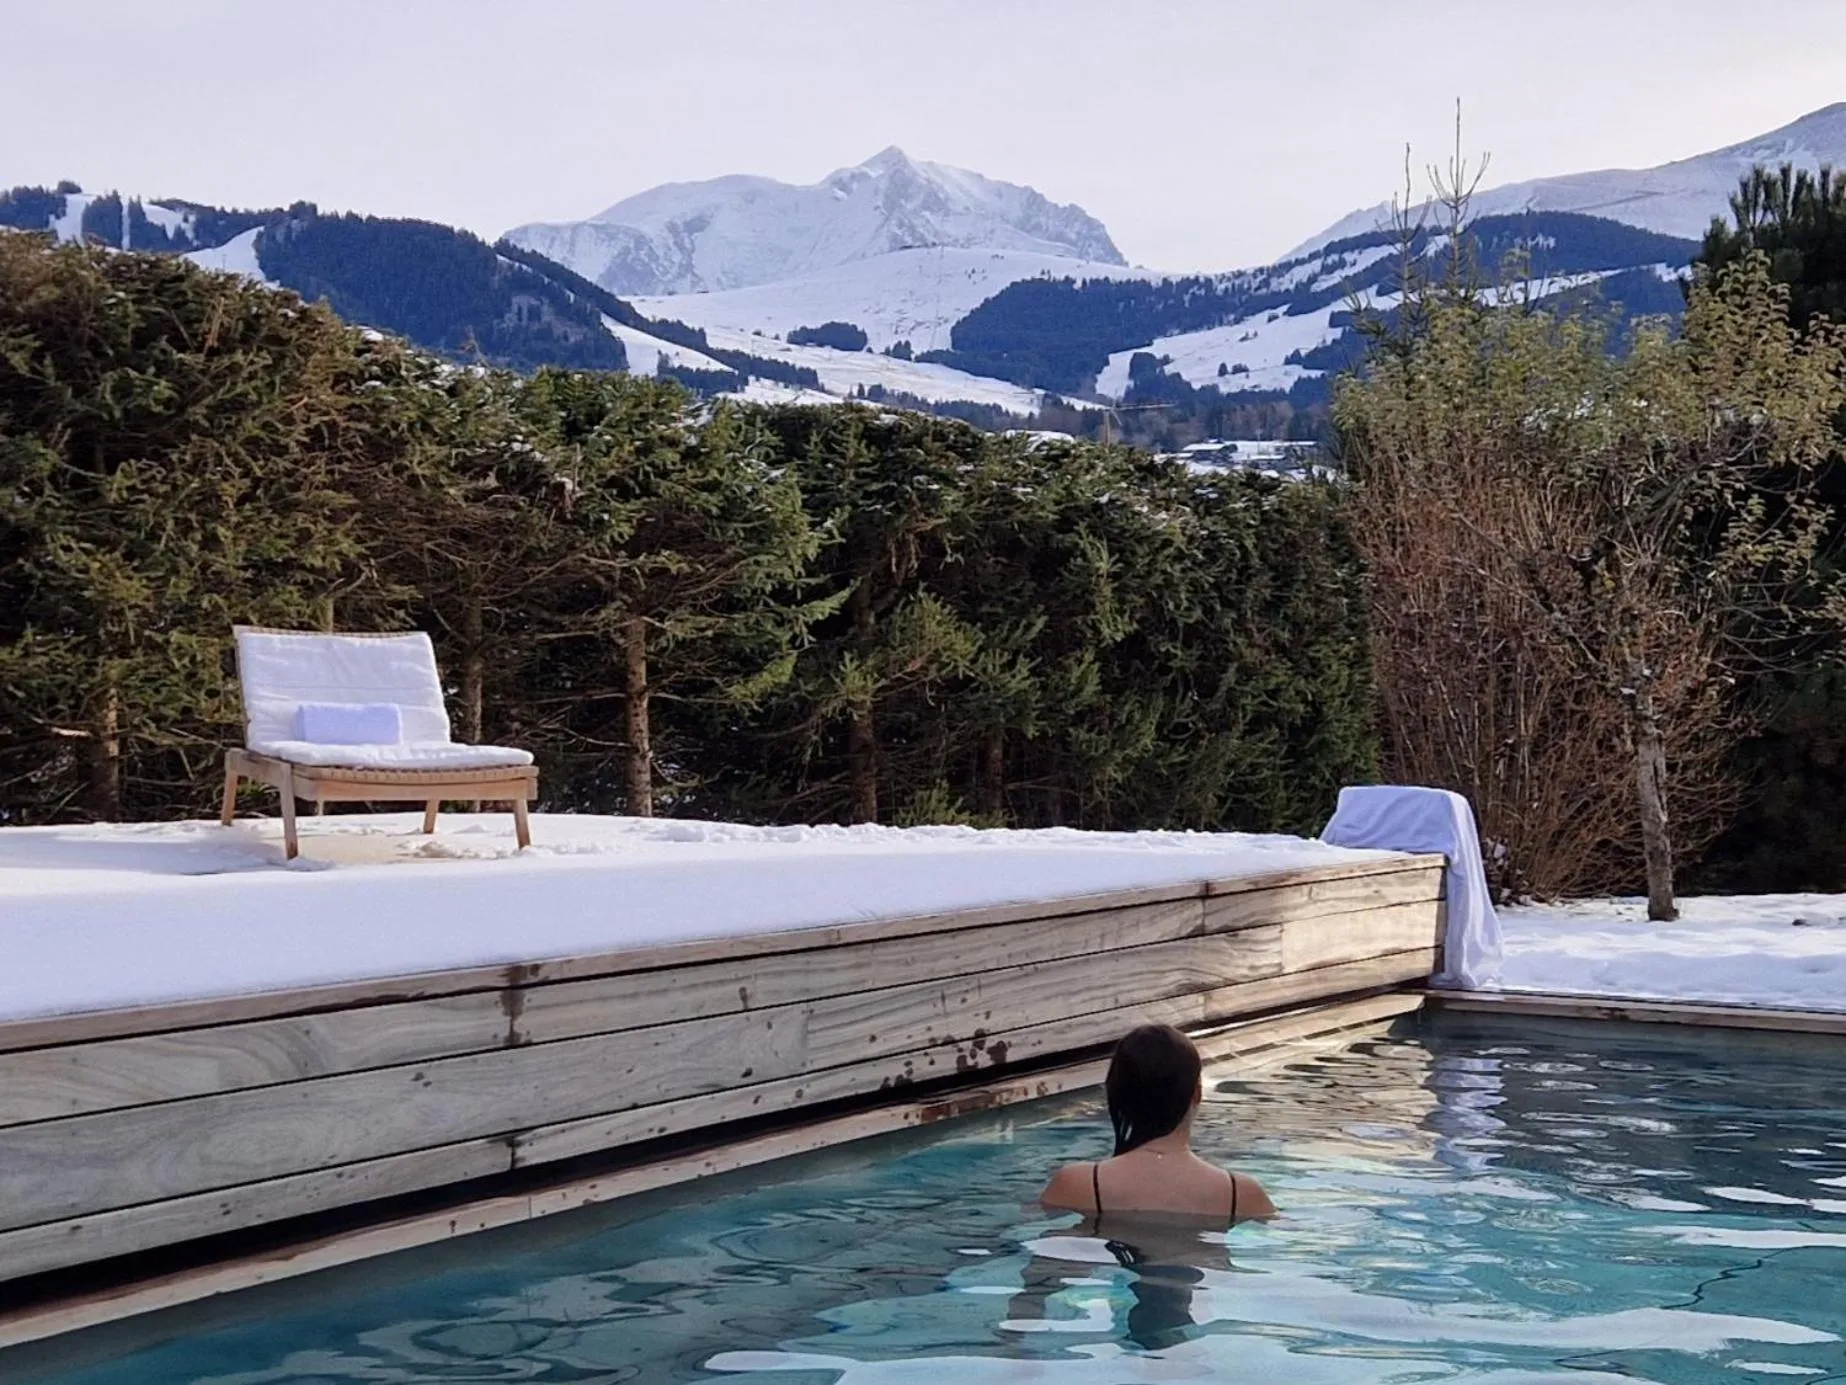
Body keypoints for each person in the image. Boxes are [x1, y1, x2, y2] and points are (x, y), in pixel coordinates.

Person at [1040, 1023, 1276, 1224]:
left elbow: (1039, 1270)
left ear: (1115, 1092)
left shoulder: (1078, 1185)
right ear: (1197, 1094)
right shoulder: (1241, 1194)